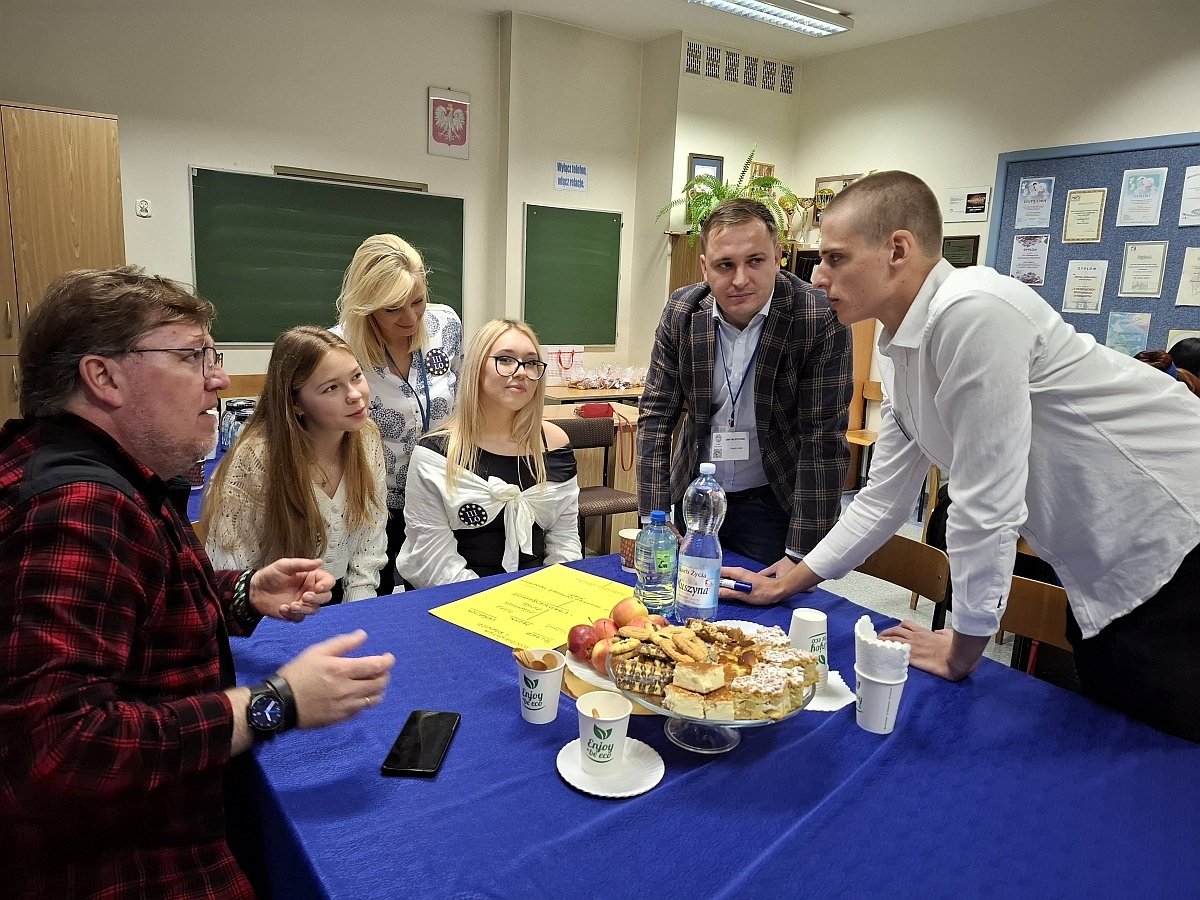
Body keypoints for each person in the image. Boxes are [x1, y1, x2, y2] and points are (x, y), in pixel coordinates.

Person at [723, 171, 1200, 742]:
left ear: (897, 250)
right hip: (1106, 566)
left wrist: (963, 647)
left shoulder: (974, 310)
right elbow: (883, 498)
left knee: (1163, 752)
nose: (818, 276)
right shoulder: (900, 346)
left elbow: (986, 501)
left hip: (1179, 540)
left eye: (834, 257)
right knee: (1122, 730)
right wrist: (795, 577)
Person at [0, 268, 395, 898]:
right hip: (129, 856)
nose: (217, 379)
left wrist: (244, 593)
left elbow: (143, 603)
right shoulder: (79, 506)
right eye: (191, 357)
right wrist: (277, 703)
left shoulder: (111, 478)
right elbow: (59, 750)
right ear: (103, 377)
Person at [637, 198, 853, 566]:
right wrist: (652, 517)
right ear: (705, 267)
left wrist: (800, 554)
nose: (740, 279)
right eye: (725, 265)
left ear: (777, 256)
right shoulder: (683, 312)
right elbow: (656, 416)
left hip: (773, 498)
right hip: (696, 494)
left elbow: (823, 439)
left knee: (765, 615)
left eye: (755, 261)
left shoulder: (817, 317)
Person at [201, 325, 388, 603]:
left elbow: (368, 545)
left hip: (343, 600)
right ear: (296, 404)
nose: (355, 395)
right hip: (273, 610)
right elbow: (234, 572)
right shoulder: (256, 460)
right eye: (331, 388)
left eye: (356, 376)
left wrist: (356, 612)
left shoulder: (366, 437)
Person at [396, 318, 581, 587]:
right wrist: (495, 606)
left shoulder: (554, 444)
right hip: (457, 598)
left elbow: (564, 540)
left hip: (540, 594)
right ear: (477, 368)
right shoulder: (435, 455)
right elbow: (433, 561)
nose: (520, 372)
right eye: (505, 359)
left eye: (531, 363)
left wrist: (556, 591)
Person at [335, 234, 463, 593]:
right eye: (392, 308)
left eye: (418, 301)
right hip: (377, 504)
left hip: (443, 491)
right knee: (379, 599)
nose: (410, 318)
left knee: (441, 597)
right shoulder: (339, 348)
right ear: (367, 305)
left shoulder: (446, 326)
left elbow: (464, 399)